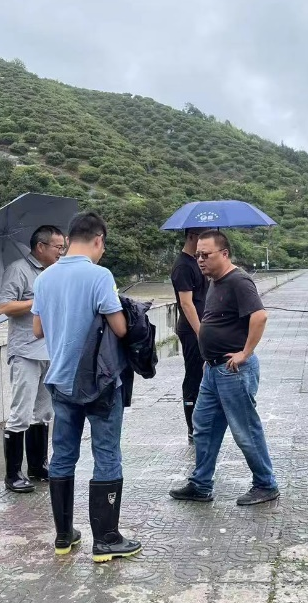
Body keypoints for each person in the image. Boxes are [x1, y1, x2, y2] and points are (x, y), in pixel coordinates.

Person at [31, 212, 142, 563]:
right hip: (99, 382)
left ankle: (64, 536)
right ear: (98, 240)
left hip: (60, 380)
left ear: (69, 239)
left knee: (63, 455)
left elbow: (37, 330)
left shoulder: (45, 277)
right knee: (106, 453)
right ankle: (106, 539)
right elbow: (120, 328)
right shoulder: (99, 275)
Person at [169, 230, 280, 506]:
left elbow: (260, 316)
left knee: (245, 430)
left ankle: (265, 484)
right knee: (204, 425)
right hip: (212, 370)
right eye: (198, 255)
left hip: (233, 371)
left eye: (206, 255)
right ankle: (201, 484)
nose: (200, 260)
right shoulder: (215, 282)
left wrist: (245, 352)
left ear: (224, 254)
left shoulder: (238, 281)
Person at [0, 225, 66, 493]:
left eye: (63, 248)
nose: (61, 252)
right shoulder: (18, 270)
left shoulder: (56, 272)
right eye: (57, 247)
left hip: (50, 350)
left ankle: (38, 466)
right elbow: (5, 307)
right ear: (40, 247)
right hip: (25, 351)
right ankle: (13, 474)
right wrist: (38, 299)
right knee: (21, 412)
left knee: (43, 412)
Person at [170, 227, 209, 444]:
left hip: (203, 326)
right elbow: (186, 303)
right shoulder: (183, 266)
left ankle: (203, 421)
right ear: (192, 236)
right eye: (202, 237)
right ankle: (192, 427)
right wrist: (201, 332)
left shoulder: (197, 262)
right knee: (193, 376)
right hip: (192, 329)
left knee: (205, 376)